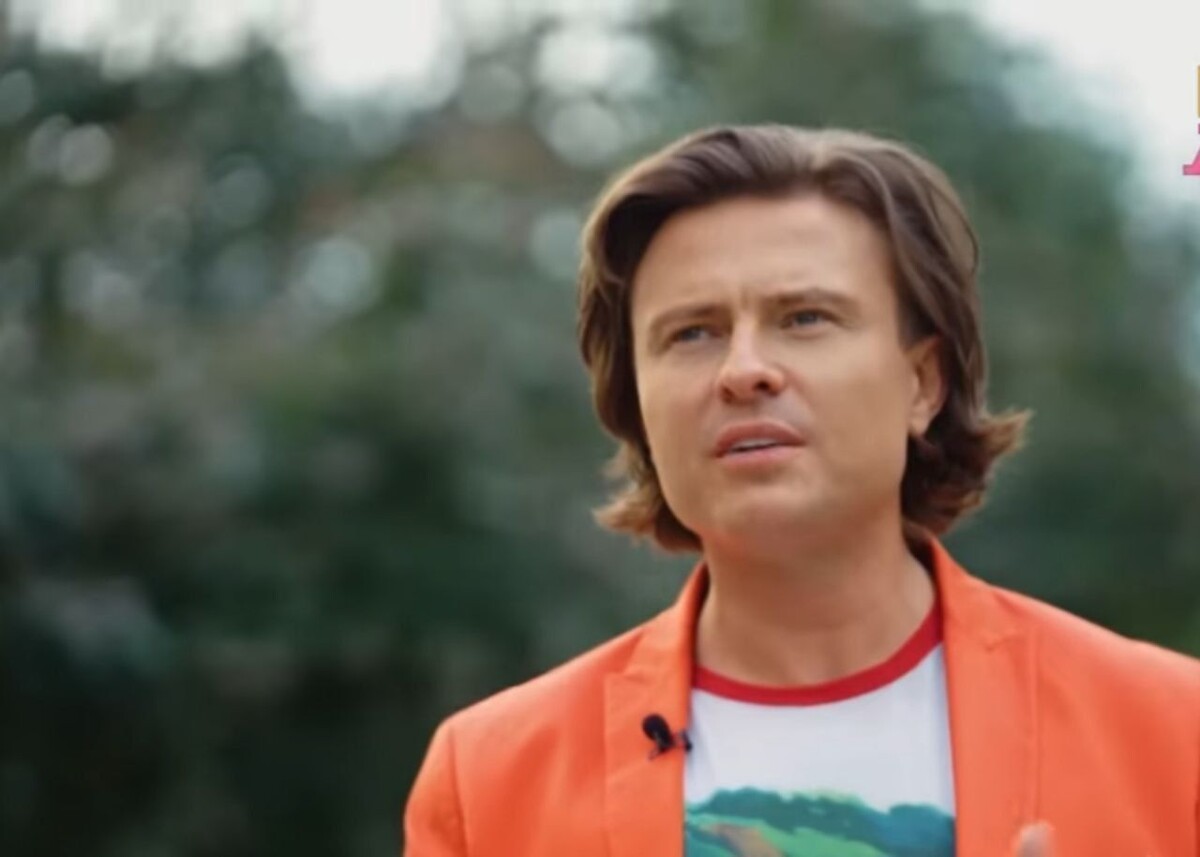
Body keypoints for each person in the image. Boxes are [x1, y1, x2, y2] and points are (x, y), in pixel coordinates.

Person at [402, 125, 1200, 856]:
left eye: (805, 317)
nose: (744, 369)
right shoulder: (490, 781)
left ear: (922, 381)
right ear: (636, 402)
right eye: (692, 332)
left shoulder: (1173, 733)